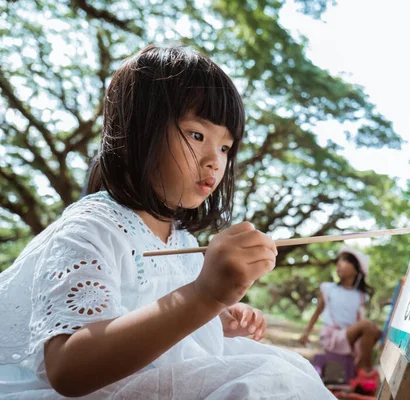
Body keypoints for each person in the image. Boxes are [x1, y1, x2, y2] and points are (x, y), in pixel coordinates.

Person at [0, 45, 334, 399]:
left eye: (225, 148)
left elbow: (157, 310)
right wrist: (203, 296)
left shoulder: (184, 241)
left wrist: (217, 314)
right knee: (262, 381)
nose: (214, 162)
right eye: (197, 135)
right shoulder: (90, 228)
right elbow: (68, 369)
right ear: (138, 131)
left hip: (146, 379)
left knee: (283, 369)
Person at [299, 246, 382, 393]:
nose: (338, 264)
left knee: (376, 331)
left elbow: (359, 322)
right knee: (367, 326)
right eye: (338, 261)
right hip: (332, 337)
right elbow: (317, 312)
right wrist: (306, 333)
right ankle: (366, 372)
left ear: (356, 270)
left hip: (348, 338)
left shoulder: (360, 296)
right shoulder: (328, 288)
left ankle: (360, 370)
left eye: (345, 261)